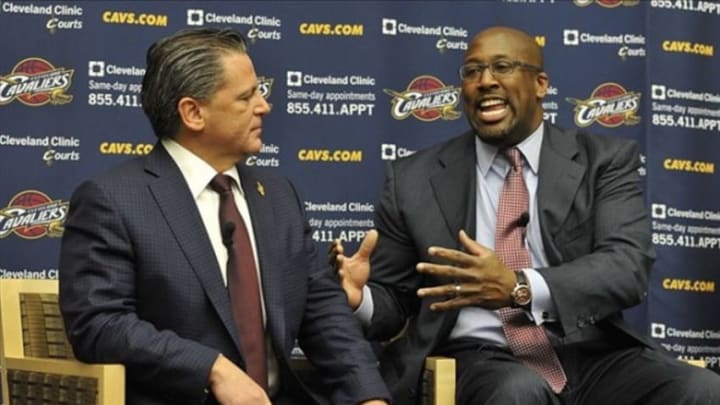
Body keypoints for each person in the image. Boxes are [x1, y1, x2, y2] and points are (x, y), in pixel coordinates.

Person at [333, 26, 720, 405]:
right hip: (479, 355)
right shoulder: (412, 178)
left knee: (702, 390)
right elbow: (396, 303)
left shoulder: (604, 161)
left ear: (540, 84)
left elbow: (626, 268)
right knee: (517, 391)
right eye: (472, 71)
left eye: (503, 66)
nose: (485, 80)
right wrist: (360, 298)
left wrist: (519, 286)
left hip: (589, 351)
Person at [59, 28, 390, 405]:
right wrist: (210, 368)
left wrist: (368, 396)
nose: (264, 106)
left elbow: (322, 310)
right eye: (247, 96)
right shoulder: (114, 200)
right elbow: (99, 324)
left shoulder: (279, 196)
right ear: (193, 112)